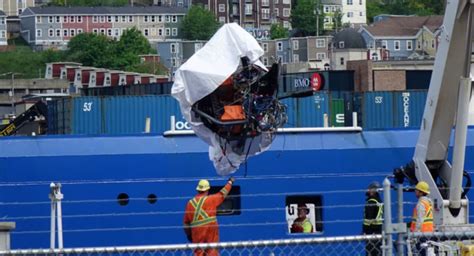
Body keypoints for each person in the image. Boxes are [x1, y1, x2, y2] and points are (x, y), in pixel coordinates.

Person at [183, 177, 234, 256]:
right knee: (212, 251)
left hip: (197, 233)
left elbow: (186, 224)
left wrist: (189, 235)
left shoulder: (190, 203)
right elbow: (223, 193)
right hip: (211, 231)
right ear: (207, 189)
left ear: (197, 190)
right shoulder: (211, 199)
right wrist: (230, 182)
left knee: (199, 253)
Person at [411, 181, 434, 256]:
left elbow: (420, 219)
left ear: (421, 192)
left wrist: (416, 233)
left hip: (421, 233)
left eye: (417, 190)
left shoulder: (421, 203)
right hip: (429, 232)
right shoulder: (428, 202)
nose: (415, 191)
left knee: (422, 252)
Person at [363, 182, 383, 256]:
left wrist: (364, 230)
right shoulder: (379, 201)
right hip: (379, 230)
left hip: (371, 231)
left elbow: (368, 219)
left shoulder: (371, 202)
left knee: (371, 252)